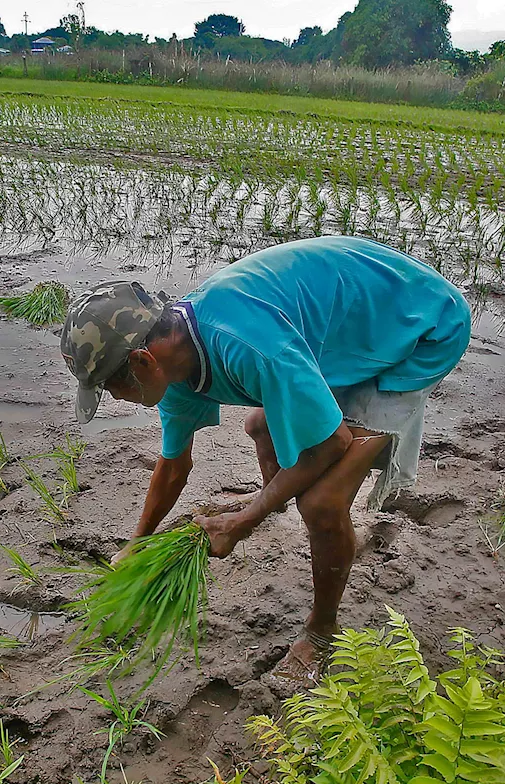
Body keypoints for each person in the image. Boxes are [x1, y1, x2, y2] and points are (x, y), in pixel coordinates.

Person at [59, 236, 471, 680]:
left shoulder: (246, 345)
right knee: (261, 427)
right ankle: (279, 499)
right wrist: (135, 544)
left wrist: (246, 519)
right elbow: (175, 464)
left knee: (322, 504)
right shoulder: (173, 362)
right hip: (350, 325)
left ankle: (321, 633)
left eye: (111, 387)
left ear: (142, 362)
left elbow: (329, 443)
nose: (116, 399)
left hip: (419, 326)